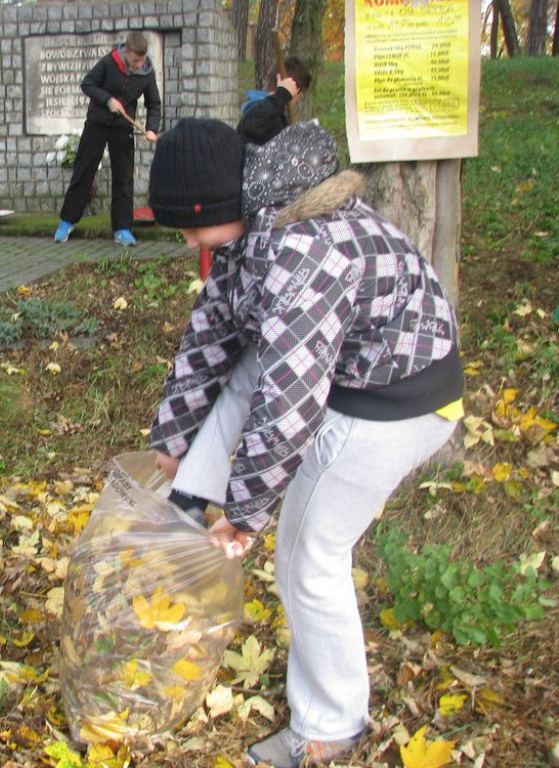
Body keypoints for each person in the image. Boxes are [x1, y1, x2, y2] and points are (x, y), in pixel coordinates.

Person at [146, 119, 464, 767]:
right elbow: (215, 332)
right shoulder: (257, 221)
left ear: (222, 206)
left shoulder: (304, 254)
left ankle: (330, 725)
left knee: (305, 551)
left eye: (188, 227)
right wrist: (175, 436)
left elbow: (289, 407)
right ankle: (186, 496)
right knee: (242, 365)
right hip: (357, 371)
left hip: (396, 401)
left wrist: (245, 517)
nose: (186, 241)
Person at [53, 31, 161, 248]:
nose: (139, 64)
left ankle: (122, 229)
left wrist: (151, 128)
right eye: (135, 60)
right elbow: (88, 84)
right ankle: (67, 222)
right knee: (84, 171)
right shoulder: (109, 62)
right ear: (126, 52)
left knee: (124, 177)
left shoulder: (146, 73)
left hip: (123, 128)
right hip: (97, 124)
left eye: (142, 60)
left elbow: (154, 103)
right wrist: (108, 99)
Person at [237, 56, 311, 147]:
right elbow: (252, 126)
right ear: (295, 90)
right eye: (300, 93)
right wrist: (282, 95)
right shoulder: (257, 108)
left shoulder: (278, 115)